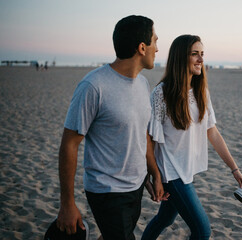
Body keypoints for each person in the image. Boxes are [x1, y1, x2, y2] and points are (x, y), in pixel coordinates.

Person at [57, 15, 166, 240]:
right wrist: (67, 204)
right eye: (155, 41)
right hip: (107, 190)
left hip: (136, 186)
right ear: (142, 47)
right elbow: (69, 144)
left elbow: (141, 133)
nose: (158, 48)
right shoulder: (94, 86)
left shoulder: (143, 84)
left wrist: (153, 172)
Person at [142, 35, 242, 240]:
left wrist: (234, 168)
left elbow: (213, 133)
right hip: (171, 173)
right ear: (181, 58)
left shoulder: (201, 92)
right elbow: (150, 139)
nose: (200, 60)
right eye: (194, 54)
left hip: (185, 170)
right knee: (202, 230)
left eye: (202, 54)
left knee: (164, 220)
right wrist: (153, 176)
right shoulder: (161, 94)